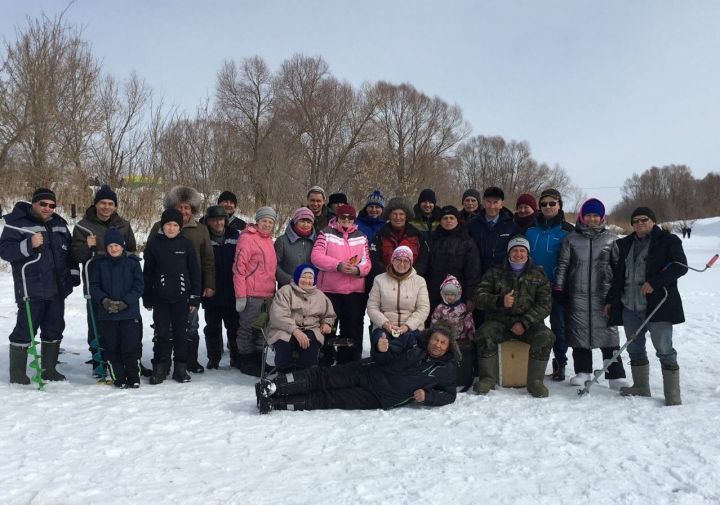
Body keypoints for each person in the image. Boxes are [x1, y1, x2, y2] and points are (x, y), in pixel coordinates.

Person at [256, 321, 459, 413]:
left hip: (381, 397)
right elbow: (385, 355)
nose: (437, 345)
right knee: (325, 377)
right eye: (436, 339)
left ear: (449, 346)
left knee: (329, 399)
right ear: (429, 337)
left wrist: (429, 396)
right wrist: (381, 349)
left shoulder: (446, 368)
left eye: (443, 343)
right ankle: (274, 387)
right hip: (370, 370)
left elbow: (449, 394)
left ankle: (276, 404)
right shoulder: (413, 341)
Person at [604, 207, 687, 406]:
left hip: (658, 306)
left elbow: (680, 266)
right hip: (629, 305)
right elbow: (618, 276)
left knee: (664, 348)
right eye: (636, 221)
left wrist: (655, 282)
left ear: (653, 221)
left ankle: (672, 394)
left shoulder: (668, 241)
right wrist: (611, 300)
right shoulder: (624, 244)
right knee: (634, 348)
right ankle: (641, 386)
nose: (640, 223)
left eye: (644, 219)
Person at [1, 188, 81, 384]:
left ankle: (49, 369)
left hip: (57, 290)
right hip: (31, 289)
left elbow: (70, 254)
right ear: (34, 203)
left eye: (52, 205)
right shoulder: (17, 224)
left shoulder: (60, 225)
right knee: (25, 329)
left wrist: (73, 276)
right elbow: (5, 251)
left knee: (54, 328)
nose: (47, 208)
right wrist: (29, 244)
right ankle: (18, 374)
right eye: (43, 204)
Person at [554, 198, 626, 388]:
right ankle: (583, 371)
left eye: (596, 215)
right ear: (582, 217)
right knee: (579, 334)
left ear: (602, 217)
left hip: (604, 295)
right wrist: (560, 288)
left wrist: (618, 292)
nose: (592, 219)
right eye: (588, 215)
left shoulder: (610, 238)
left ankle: (614, 374)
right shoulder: (571, 238)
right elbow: (563, 265)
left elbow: (618, 267)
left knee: (609, 334)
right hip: (577, 294)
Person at [472, 236, 554, 398]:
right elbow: (479, 297)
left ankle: (535, 382)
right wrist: (499, 301)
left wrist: (525, 322)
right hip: (500, 322)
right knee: (484, 333)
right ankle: (488, 378)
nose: (518, 254)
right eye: (515, 250)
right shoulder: (495, 272)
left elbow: (545, 304)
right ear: (509, 253)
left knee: (546, 336)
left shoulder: (538, 274)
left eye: (522, 251)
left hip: (529, 324)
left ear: (528, 254)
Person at [70, 184, 138, 377]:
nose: (106, 207)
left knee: (123, 324)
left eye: (110, 203)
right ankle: (99, 361)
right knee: (97, 324)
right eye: (103, 203)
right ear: (96, 204)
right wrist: (87, 247)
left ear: (115, 206)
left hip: (122, 284)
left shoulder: (123, 225)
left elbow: (131, 249)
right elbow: (76, 255)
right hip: (96, 284)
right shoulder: (83, 226)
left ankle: (122, 360)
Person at [147, 186, 215, 374]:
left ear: (193, 209)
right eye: (180, 207)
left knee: (191, 325)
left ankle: (189, 361)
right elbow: (150, 258)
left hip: (191, 287)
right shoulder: (158, 227)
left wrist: (209, 284)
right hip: (163, 288)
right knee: (164, 327)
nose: (184, 211)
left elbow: (208, 259)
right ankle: (163, 362)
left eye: (187, 208)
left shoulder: (200, 229)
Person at [143, 209, 201, 384]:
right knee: (161, 333)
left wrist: (194, 297)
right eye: (168, 224)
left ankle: (180, 369)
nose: (171, 228)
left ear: (180, 227)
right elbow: (148, 273)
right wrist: (147, 296)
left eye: (175, 225)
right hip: (161, 299)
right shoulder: (154, 244)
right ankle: (160, 368)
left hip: (182, 299)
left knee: (181, 334)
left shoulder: (186, 244)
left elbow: (195, 272)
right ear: (163, 225)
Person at [310, 204, 371, 364]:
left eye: (350, 218)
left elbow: (367, 262)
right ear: (337, 218)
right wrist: (338, 265)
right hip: (330, 290)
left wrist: (358, 269)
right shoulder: (326, 233)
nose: (346, 220)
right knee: (328, 326)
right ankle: (326, 357)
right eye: (343, 217)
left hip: (354, 291)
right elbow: (316, 256)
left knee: (350, 327)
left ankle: (347, 360)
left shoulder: (361, 236)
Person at [525, 188, 574, 381]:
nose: (547, 207)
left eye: (552, 203)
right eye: (543, 204)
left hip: (557, 287)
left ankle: (560, 362)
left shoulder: (567, 230)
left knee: (559, 327)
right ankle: (531, 362)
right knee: (532, 325)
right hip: (532, 288)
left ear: (559, 205)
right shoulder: (530, 230)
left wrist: (565, 284)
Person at [89, 227, 144, 388]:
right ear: (106, 248)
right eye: (110, 246)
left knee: (130, 346)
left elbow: (139, 286)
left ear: (123, 245)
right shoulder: (99, 264)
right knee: (111, 347)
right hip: (108, 315)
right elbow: (94, 286)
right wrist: (105, 301)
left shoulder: (132, 263)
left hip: (129, 313)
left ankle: (133, 377)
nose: (114, 248)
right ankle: (118, 377)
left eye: (117, 245)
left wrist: (125, 302)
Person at [265, 264, 336, 372]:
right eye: (304, 277)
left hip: (311, 328)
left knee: (311, 342)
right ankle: (284, 374)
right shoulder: (285, 291)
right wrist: (296, 331)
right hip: (285, 328)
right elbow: (278, 315)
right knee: (284, 343)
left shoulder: (320, 295)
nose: (307, 280)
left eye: (310, 277)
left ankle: (306, 376)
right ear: (297, 277)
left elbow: (329, 314)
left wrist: (327, 323)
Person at [233, 206, 278, 376]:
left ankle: (259, 360)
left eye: (270, 222)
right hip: (251, 294)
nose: (267, 224)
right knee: (247, 329)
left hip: (267, 294)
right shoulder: (247, 238)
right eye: (264, 221)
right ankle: (246, 360)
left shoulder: (268, 240)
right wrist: (241, 295)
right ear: (257, 221)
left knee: (263, 329)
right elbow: (239, 268)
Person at [367, 246, 430, 349]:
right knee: (382, 347)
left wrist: (407, 327)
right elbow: (372, 307)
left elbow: (423, 309)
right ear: (392, 260)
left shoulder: (420, 281)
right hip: (384, 327)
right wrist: (386, 324)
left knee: (410, 347)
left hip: (411, 328)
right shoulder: (379, 279)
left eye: (406, 261)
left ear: (411, 263)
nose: (402, 264)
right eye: (398, 260)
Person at [202, 205, 241, 369]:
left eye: (220, 219)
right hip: (212, 290)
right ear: (209, 221)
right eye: (214, 220)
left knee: (234, 327)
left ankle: (236, 358)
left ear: (225, 220)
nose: (218, 223)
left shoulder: (235, 235)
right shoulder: (204, 237)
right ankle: (214, 357)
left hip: (232, 290)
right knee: (212, 328)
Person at [426, 205, 481, 311]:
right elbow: (427, 267)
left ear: (457, 220)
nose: (448, 221)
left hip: (458, 294)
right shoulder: (432, 239)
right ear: (440, 221)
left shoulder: (467, 241)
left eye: (452, 218)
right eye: (445, 218)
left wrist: (470, 297)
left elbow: (473, 271)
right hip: (434, 292)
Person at [369, 197, 429, 289]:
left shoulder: (416, 235)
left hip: (411, 283)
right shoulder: (380, 234)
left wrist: (412, 274)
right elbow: (374, 258)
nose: (398, 218)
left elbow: (424, 258)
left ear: (406, 216)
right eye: (394, 214)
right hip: (386, 282)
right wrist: (388, 274)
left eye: (401, 214)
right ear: (389, 215)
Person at [431, 274, 476, 388]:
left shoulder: (462, 308)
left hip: (461, 339)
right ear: (442, 294)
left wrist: (470, 334)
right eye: (447, 294)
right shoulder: (440, 308)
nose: (449, 297)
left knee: (460, 356)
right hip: (445, 339)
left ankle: (462, 375)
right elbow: (434, 321)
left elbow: (469, 321)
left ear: (458, 294)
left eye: (452, 294)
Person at [468, 186, 519, 276]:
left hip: (502, 275)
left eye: (495, 202)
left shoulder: (511, 226)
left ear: (501, 204)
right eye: (488, 202)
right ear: (484, 202)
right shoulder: (473, 224)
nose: (492, 206)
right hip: (477, 274)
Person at [274, 207, 316, 288]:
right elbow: (274, 266)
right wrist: (290, 280)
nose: (305, 225)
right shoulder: (282, 241)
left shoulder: (316, 242)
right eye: (302, 221)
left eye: (308, 222)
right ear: (295, 222)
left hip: (310, 289)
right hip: (287, 289)